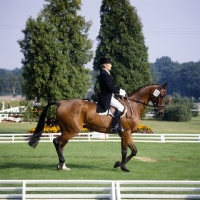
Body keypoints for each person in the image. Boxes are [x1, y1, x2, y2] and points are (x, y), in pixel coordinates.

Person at [96, 57, 126, 133]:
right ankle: (115, 127)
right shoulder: (104, 74)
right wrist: (118, 92)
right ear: (105, 65)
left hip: (108, 95)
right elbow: (109, 87)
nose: (111, 65)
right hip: (106, 96)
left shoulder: (105, 73)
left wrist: (119, 90)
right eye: (110, 64)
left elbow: (111, 86)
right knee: (121, 107)